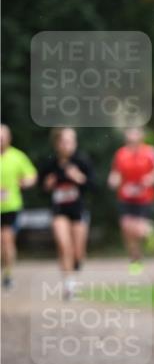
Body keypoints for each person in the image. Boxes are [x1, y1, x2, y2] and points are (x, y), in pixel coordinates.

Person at [38, 127, 94, 296]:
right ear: (57, 143)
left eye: (71, 141)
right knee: (64, 245)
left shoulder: (82, 161)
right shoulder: (50, 164)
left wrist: (79, 178)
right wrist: (47, 185)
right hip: (59, 211)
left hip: (78, 210)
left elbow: (94, 186)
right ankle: (69, 285)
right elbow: (41, 189)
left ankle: (75, 265)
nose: (68, 145)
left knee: (78, 253)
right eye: (64, 141)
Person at [108, 127, 154, 273]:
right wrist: (113, 180)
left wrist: (152, 177)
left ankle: (150, 230)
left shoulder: (150, 152)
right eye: (130, 131)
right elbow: (115, 172)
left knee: (139, 229)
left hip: (144, 197)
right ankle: (135, 260)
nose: (132, 135)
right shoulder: (121, 153)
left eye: (135, 132)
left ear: (141, 135)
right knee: (126, 229)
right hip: (125, 196)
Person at [0, 124, 37, 290]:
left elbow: (31, 175)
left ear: (9, 138)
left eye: (3, 137)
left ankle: (8, 274)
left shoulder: (17, 156)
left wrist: (26, 182)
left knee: (6, 240)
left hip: (11, 207)